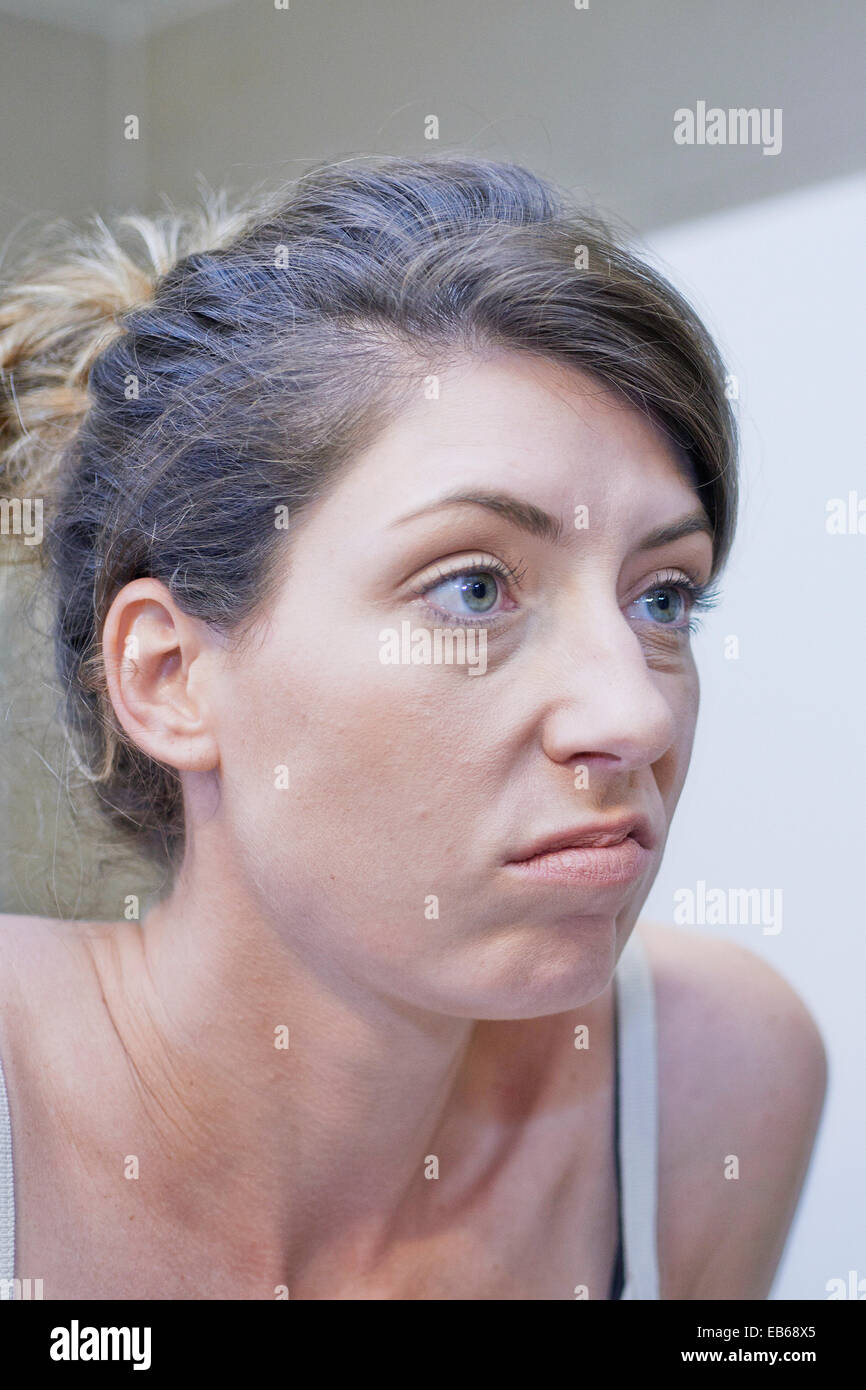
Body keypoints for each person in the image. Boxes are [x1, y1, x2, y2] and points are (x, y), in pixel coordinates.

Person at [0, 153, 826, 1300]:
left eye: (663, 597)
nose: (632, 713)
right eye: (474, 588)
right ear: (172, 673)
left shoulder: (712, 1081)